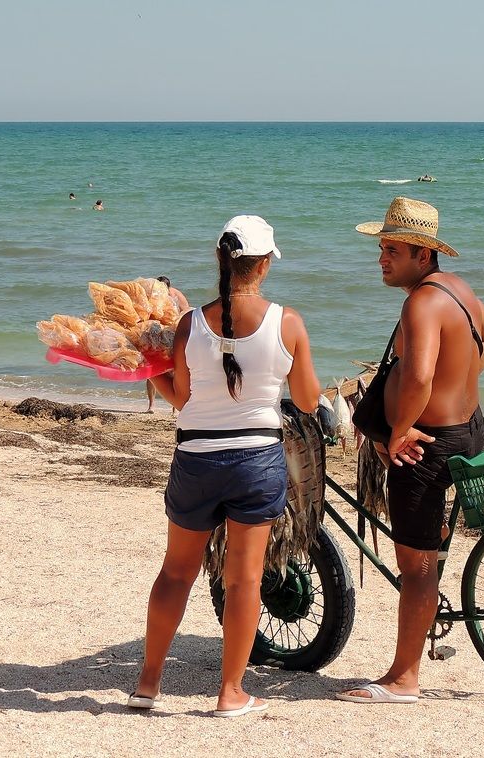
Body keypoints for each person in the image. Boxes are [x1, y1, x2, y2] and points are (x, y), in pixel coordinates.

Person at [129, 215, 320, 717]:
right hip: (256, 462)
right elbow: (305, 397)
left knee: (175, 573)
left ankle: (148, 683)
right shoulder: (288, 323)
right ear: (264, 265)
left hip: (196, 458)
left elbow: (183, 400)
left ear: (221, 260)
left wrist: (149, 370)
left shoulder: (190, 324)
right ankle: (230, 692)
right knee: (244, 581)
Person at [338, 197, 484, 704]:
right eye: (381, 248)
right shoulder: (458, 289)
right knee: (425, 549)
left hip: (427, 447)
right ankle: (436, 538)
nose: (381, 258)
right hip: (467, 427)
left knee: (416, 566)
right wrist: (463, 381)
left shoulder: (421, 302)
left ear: (422, 255)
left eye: (391, 250)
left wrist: (400, 428)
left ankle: (404, 678)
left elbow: (421, 375)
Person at [146, 277, 191, 413]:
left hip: (172, 334)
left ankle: (175, 407)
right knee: (151, 370)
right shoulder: (153, 296)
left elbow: (187, 312)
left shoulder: (175, 295)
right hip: (156, 333)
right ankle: (151, 405)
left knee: (176, 369)